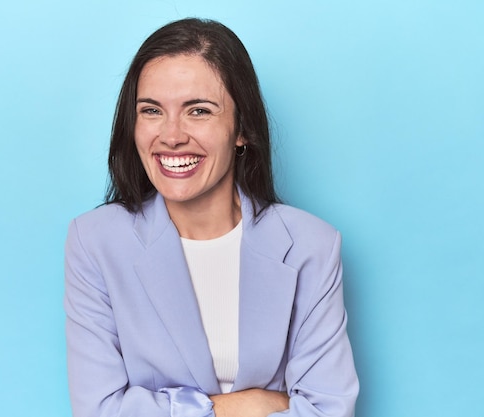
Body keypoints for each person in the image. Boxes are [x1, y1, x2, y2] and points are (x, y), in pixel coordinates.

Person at [64, 18, 359, 417]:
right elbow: (99, 410)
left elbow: (328, 410)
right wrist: (250, 404)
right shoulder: (95, 242)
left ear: (242, 129)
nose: (171, 135)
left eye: (198, 111)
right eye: (151, 110)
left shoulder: (312, 246)